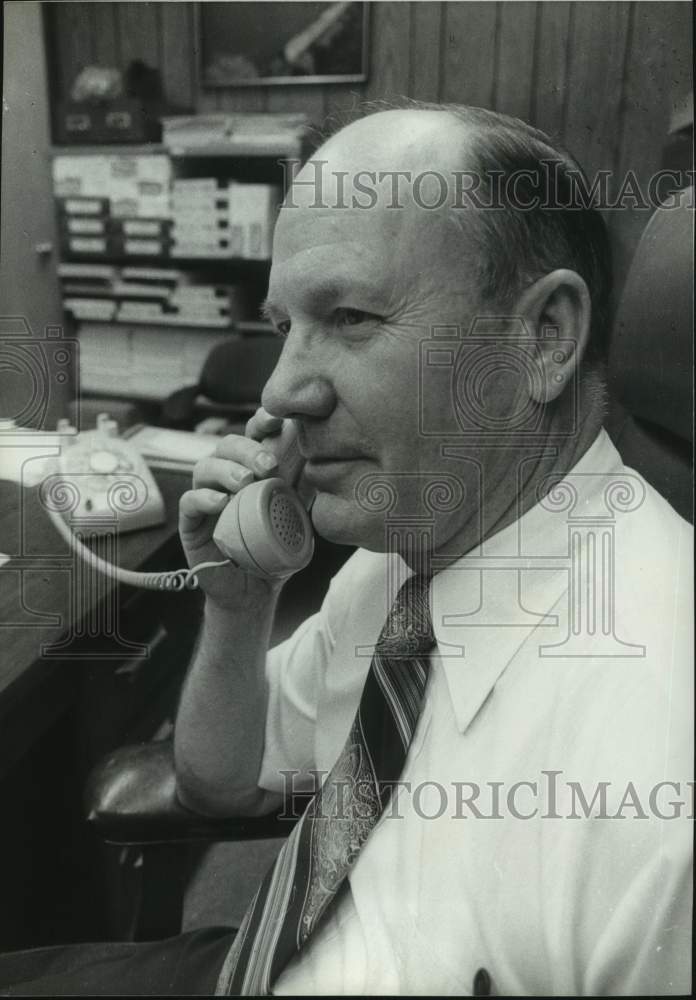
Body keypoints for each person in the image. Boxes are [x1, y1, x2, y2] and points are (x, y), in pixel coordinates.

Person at [1, 104, 692, 996]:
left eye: (352, 317)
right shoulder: (402, 560)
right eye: (284, 326)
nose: (280, 390)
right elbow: (221, 783)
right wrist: (238, 605)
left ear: (543, 337)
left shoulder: (659, 766)